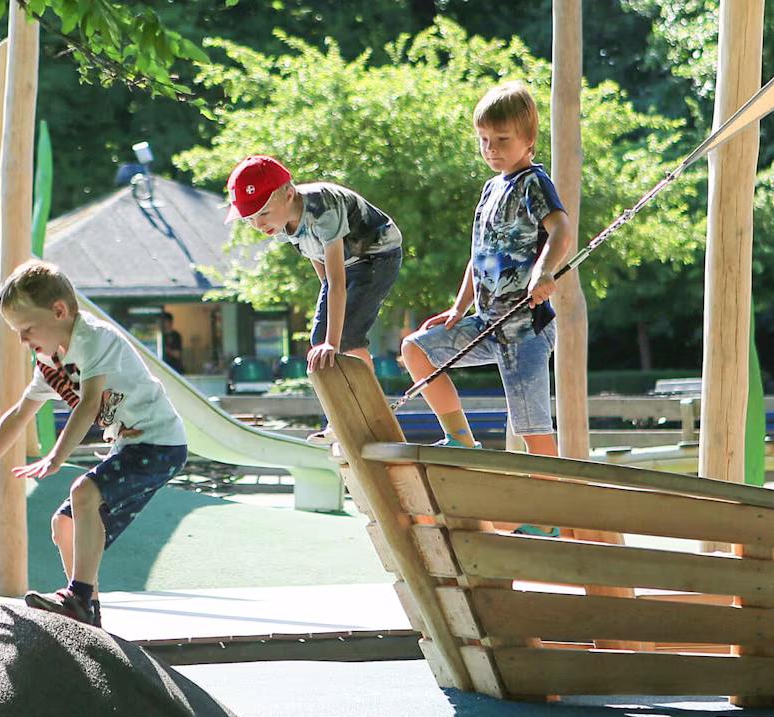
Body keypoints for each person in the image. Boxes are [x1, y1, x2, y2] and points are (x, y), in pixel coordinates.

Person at [0, 260, 187, 628]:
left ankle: (78, 598)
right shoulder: (50, 361)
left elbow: (88, 404)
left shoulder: (94, 339)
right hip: (132, 447)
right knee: (64, 524)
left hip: (160, 444)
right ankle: (89, 612)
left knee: (84, 491)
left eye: (26, 329)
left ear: (59, 311)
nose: (22, 340)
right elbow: (21, 412)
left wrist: (56, 457)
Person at [400, 80, 573, 458]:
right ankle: (460, 438)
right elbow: (478, 255)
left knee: (533, 430)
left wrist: (544, 272)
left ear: (528, 140)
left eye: (502, 139)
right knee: (416, 350)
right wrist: (459, 308)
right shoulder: (490, 189)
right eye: (483, 140)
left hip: (526, 328)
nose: (491, 149)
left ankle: (552, 516)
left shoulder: (533, 184)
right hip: (485, 323)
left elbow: (561, 229)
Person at [225, 155, 403, 441]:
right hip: (343, 265)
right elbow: (316, 259)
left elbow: (337, 283)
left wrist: (334, 340)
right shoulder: (280, 223)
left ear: (290, 195)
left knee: (343, 339)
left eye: (263, 213)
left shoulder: (323, 210)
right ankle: (341, 420)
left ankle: (372, 414)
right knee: (320, 342)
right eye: (251, 218)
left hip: (377, 253)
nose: (258, 224)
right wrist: (327, 331)